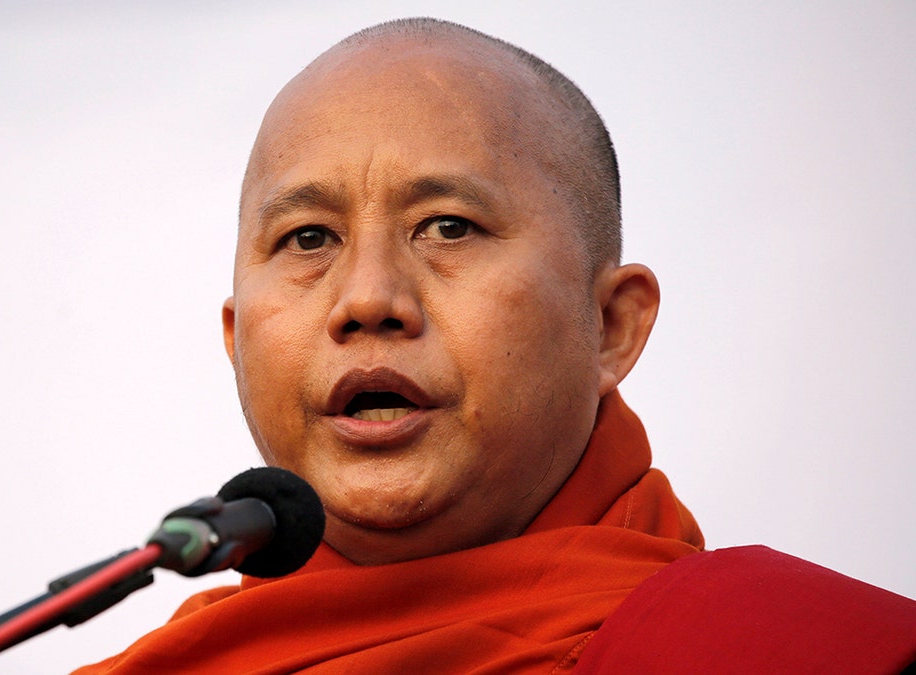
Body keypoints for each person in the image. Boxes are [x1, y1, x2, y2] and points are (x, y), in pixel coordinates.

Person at [75, 18, 916, 673]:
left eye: (448, 226)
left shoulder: (790, 652)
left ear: (613, 327)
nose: (368, 298)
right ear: (236, 340)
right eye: (306, 238)